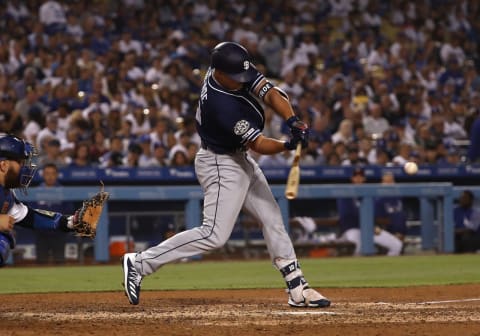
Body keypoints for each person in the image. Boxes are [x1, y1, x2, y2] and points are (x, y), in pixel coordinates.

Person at [122, 42, 331, 308]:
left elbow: (270, 92)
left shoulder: (229, 68)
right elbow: (258, 145)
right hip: (221, 164)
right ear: (219, 73)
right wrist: (288, 144)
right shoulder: (221, 106)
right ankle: (139, 263)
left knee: (272, 218)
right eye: (236, 78)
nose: (242, 81)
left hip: (237, 159)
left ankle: (297, 287)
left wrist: (293, 121)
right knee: (214, 234)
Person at [0, 134, 87, 266]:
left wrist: (69, 222)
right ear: (3, 165)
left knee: (3, 241)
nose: (25, 168)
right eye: (20, 162)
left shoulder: (6, 194)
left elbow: (30, 217)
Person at [336, 167, 403, 256]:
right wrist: (368, 225)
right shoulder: (345, 195)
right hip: (352, 230)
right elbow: (348, 216)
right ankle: (356, 267)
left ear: (364, 178)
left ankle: (385, 267)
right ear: (352, 178)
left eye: (360, 176)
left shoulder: (371, 195)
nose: (358, 179)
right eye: (356, 176)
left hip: (370, 229)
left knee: (397, 245)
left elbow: (376, 214)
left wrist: (373, 226)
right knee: (359, 244)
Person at [31, 163, 75, 264]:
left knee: (59, 262)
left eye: (53, 174)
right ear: (43, 175)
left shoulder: (63, 191)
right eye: (47, 173)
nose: (50, 176)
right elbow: (31, 211)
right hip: (41, 233)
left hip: (58, 233)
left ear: (57, 175)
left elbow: (69, 210)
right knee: (41, 263)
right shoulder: (36, 191)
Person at [374, 172, 408, 243]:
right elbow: (376, 218)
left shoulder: (398, 197)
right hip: (384, 227)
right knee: (398, 216)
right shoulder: (377, 198)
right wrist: (393, 219)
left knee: (400, 216)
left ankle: (399, 238)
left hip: (398, 227)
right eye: (386, 182)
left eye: (391, 181)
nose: (389, 184)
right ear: (382, 183)